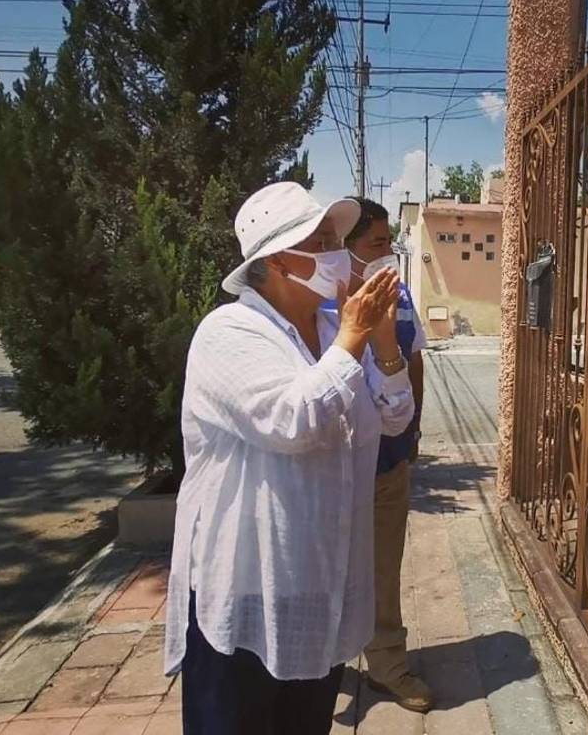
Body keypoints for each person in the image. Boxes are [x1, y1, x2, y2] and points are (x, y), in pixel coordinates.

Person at [163, 182, 415, 735]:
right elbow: (291, 422)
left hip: (319, 580)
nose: (337, 252)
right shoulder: (228, 331)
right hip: (250, 583)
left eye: (335, 239)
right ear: (279, 261)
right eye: (322, 240)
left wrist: (384, 341)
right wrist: (352, 341)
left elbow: (395, 416)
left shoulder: (330, 329)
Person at [321, 198, 432, 712]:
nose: (390, 252)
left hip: (388, 463)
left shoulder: (403, 296)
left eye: (390, 242)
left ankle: (387, 664)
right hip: (330, 470)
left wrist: (411, 439)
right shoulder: (317, 304)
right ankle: (322, 665)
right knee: (325, 568)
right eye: (378, 244)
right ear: (346, 252)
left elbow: (414, 361)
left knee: (383, 569)